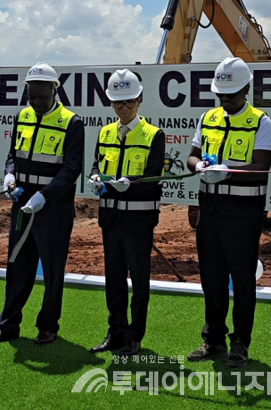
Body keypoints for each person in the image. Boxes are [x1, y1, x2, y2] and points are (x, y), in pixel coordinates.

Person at [0, 62, 85, 346]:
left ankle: (48, 326)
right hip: (22, 205)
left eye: (41, 96)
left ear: (54, 90)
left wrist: (45, 196)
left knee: (52, 270)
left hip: (53, 208)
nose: (36, 102)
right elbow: (12, 155)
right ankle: (8, 325)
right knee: (17, 265)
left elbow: (71, 169)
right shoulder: (22, 116)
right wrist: (9, 176)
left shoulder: (71, 122)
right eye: (31, 96)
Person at [185, 57, 271, 368]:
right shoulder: (207, 117)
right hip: (210, 210)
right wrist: (200, 166)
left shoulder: (260, 121)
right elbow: (191, 156)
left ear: (246, 89)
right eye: (221, 94)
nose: (225, 99)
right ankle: (213, 340)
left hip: (243, 213)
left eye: (231, 94)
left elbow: (262, 166)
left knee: (242, 279)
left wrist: (227, 172)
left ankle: (240, 343)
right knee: (211, 278)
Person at [87, 70, 166, 356]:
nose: (123, 107)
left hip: (138, 220)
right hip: (110, 219)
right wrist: (95, 178)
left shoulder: (154, 135)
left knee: (139, 280)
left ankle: (135, 335)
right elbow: (96, 165)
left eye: (129, 101)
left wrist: (129, 183)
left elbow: (154, 176)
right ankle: (116, 332)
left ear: (140, 99)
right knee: (114, 278)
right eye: (117, 102)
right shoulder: (105, 132)